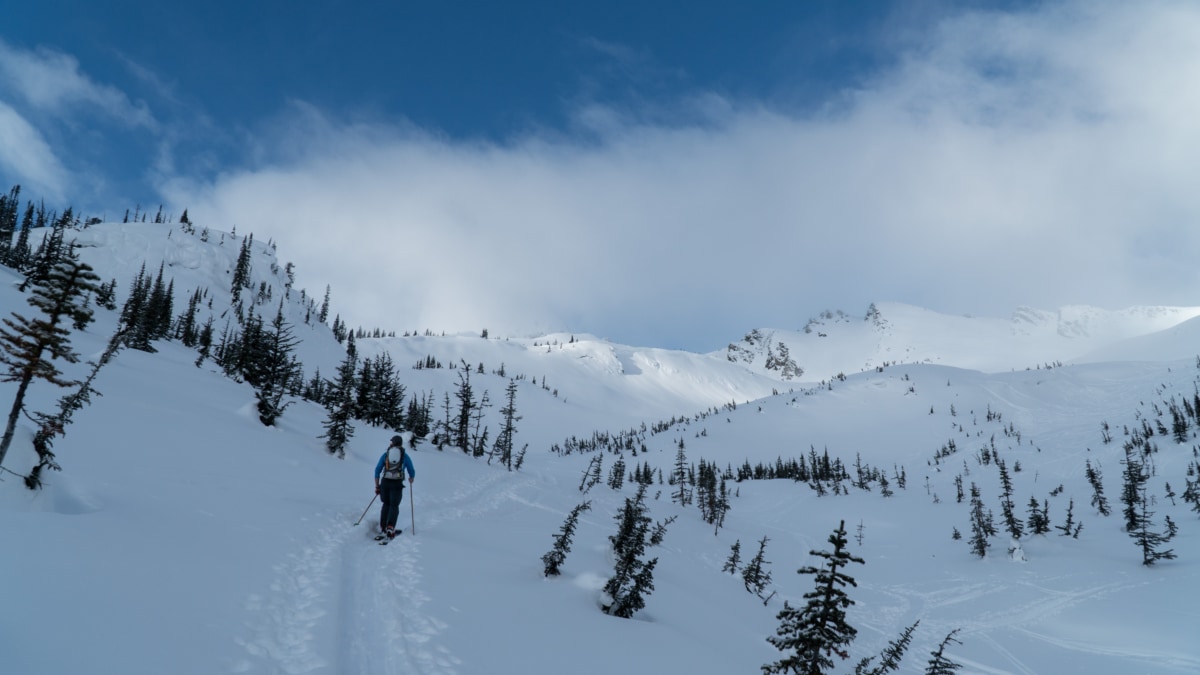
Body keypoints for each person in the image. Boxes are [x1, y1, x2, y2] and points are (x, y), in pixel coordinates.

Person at [374, 432, 416, 540]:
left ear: (392, 443)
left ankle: (383, 528)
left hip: (385, 482)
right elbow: (411, 469)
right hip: (397, 484)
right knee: (394, 505)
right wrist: (411, 478)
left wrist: (377, 486)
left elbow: (377, 470)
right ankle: (390, 528)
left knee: (386, 504)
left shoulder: (386, 455)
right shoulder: (404, 456)